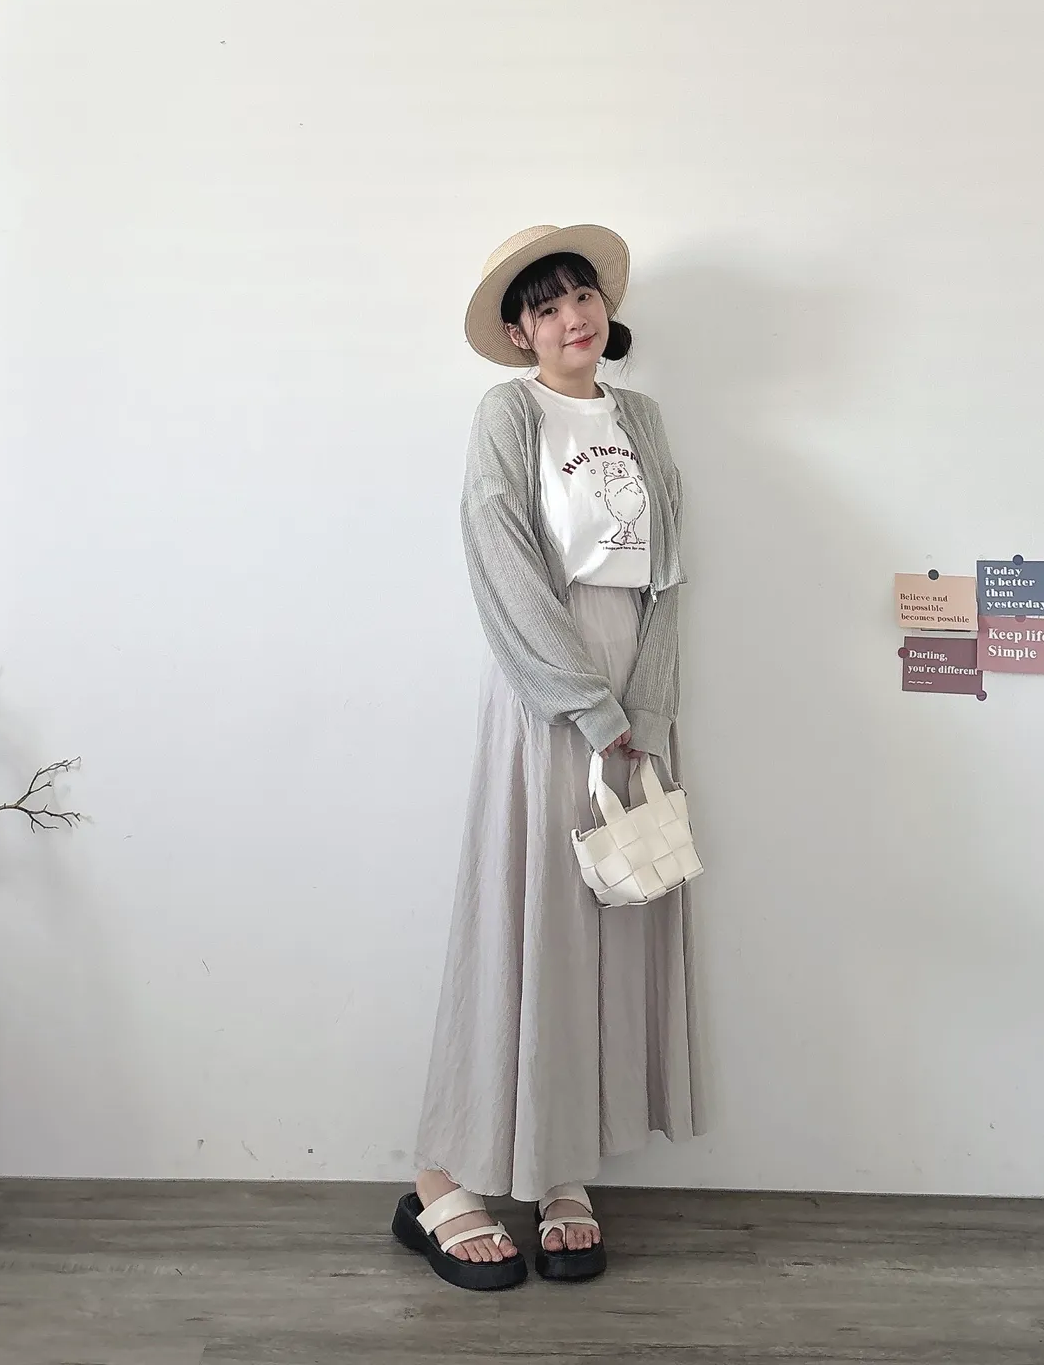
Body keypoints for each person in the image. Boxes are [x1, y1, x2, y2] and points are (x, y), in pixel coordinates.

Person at [392, 224, 704, 1291]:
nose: (574, 316)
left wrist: (645, 708)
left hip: (637, 694)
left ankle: (562, 1168)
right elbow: (501, 557)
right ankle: (441, 1175)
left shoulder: (642, 419)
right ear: (521, 332)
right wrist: (585, 702)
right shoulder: (509, 413)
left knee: (606, 924)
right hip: (546, 689)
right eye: (547, 305)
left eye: (584, 297)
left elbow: (669, 574)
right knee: (519, 916)